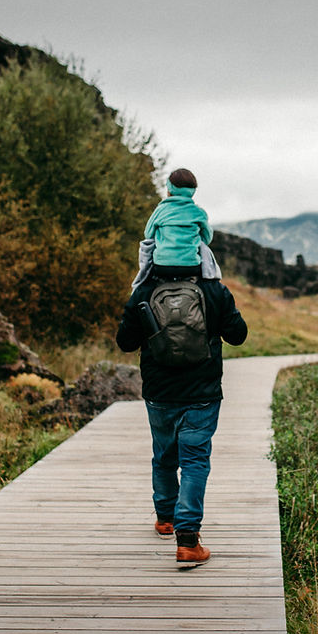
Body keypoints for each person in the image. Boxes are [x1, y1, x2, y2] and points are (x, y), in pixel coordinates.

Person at [115, 203, 247, 566]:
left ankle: (165, 518)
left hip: (159, 393)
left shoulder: (143, 292)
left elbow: (125, 343)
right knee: (194, 461)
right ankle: (188, 541)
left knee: (164, 456)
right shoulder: (213, 290)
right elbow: (238, 335)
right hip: (203, 394)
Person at [131, 168, 220, 289]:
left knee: (139, 296)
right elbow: (207, 238)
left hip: (162, 266)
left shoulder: (160, 210)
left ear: (169, 190)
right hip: (191, 267)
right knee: (217, 294)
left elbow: (148, 234)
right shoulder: (198, 212)